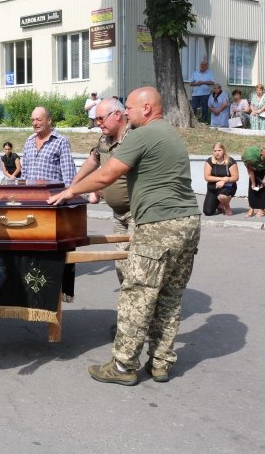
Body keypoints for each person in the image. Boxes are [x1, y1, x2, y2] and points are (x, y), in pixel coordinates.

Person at [48, 86, 201, 385]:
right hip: (188, 224)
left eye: (129, 108)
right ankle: (160, 363)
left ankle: (123, 366)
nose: (127, 113)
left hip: (158, 226)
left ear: (147, 108)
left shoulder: (143, 134)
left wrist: (70, 191)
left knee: (137, 295)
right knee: (169, 297)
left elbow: (107, 174)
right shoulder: (170, 134)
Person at [70, 98, 133, 284]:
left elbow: (106, 176)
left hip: (137, 213)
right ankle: (128, 297)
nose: (98, 123)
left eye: (101, 118)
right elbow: (93, 160)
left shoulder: (134, 139)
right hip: (118, 214)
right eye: (96, 119)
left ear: (117, 115)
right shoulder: (104, 139)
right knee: (121, 264)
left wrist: (79, 190)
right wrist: (73, 185)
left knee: (136, 265)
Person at [20, 106, 77, 186]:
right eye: (33, 120)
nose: (35, 123)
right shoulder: (29, 141)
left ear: (49, 121)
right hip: (30, 192)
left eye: (38, 120)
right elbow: (24, 174)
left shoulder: (60, 141)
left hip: (52, 193)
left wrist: (67, 192)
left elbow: (69, 175)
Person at [202, 143, 238, 216]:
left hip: (227, 187)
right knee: (207, 212)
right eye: (215, 151)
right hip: (213, 187)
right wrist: (222, 179)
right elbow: (207, 177)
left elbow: (235, 177)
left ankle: (227, 207)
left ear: (224, 150)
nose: (217, 153)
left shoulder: (230, 161)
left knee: (222, 196)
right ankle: (219, 203)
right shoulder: (209, 161)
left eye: (219, 150)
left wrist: (225, 181)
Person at [242, 146, 265, 217]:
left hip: (263, 170)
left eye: (252, 162)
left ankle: (262, 208)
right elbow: (250, 170)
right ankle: (251, 208)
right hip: (255, 170)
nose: (250, 163)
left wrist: (264, 181)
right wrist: (253, 183)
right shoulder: (246, 158)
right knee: (252, 187)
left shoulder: (264, 154)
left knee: (263, 188)